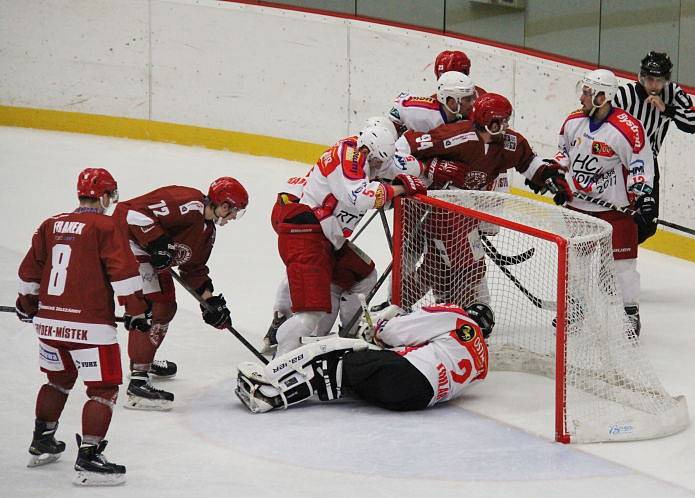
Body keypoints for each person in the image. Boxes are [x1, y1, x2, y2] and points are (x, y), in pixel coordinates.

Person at [16, 168, 151, 486]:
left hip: (49, 324)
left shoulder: (51, 224)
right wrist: (136, 311)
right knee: (102, 390)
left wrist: (27, 306)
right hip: (90, 326)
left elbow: (30, 271)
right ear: (104, 196)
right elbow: (124, 272)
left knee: (58, 381)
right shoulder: (106, 225)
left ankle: (42, 441)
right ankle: (89, 458)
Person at [264, 125, 427, 358]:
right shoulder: (349, 155)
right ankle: (282, 355)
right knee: (312, 312)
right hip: (308, 234)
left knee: (362, 273)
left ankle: (345, 336)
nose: (379, 169)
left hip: (326, 238)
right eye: (378, 163)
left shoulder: (363, 153)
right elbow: (359, 197)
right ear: (368, 152)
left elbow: (392, 173)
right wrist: (399, 187)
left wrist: (422, 174)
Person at [527, 68, 656, 337]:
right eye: (583, 91)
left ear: (603, 96)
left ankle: (629, 312)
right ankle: (574, 309)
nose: (582, 97)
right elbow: (563, 153)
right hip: (579, 208)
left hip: (614, 211)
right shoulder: (573, 121)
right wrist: (556, 175)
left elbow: (640, 164)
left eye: (587, 92)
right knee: (574, 262)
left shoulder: (626, 129)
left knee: (622, 267)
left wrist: (643, 197)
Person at [394, 92, 547, 307]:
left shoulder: (509, 143)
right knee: (470, 266)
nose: (503, 127)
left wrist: (546, 175)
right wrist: (431, 168)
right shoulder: (458, 135)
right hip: (443, 213)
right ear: (484, 120)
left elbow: (528, 161)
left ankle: (397, 306)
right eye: (497, 123)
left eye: (506, 121)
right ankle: (472, 312)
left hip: (470, 213)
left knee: (435, 270)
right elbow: (403, 147)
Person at [113, 177, 249, 410]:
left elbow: (193, 269)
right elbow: (130, 212)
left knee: (166, 306)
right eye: (235, 211)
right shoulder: (188, 202)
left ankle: (142, 360)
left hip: (145, 254)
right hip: (125, 242)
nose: (235, 217)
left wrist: (210, 302)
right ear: (224, 206)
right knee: (156, 306)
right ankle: (138, 383)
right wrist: (157, 242)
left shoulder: (207, 232)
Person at [237, 302, 493, 413]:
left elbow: (397, 333)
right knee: (343, 377)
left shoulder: (458, 317)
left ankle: (270, 392)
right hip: (415, 400)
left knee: (334, 355)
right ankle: (286, 387)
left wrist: (381, 328)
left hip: (405, 374)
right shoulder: (482, 366)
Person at [613, 51, 695, 243]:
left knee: (647, 225)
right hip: (618, 162)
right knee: (615, 215)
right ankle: (613, 255)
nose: (654, 85)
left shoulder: (672, 94)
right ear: (642, 77)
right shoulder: (624, 95)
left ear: (666, 80)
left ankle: (618, 253)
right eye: (650, 79)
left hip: (647, 164)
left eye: (659, 80)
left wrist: (667, 109)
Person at [389, 70, 477, 136]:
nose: (473, 103)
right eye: (468, 99)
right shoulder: (424, 118)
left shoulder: (449, 115)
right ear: (452, 102)